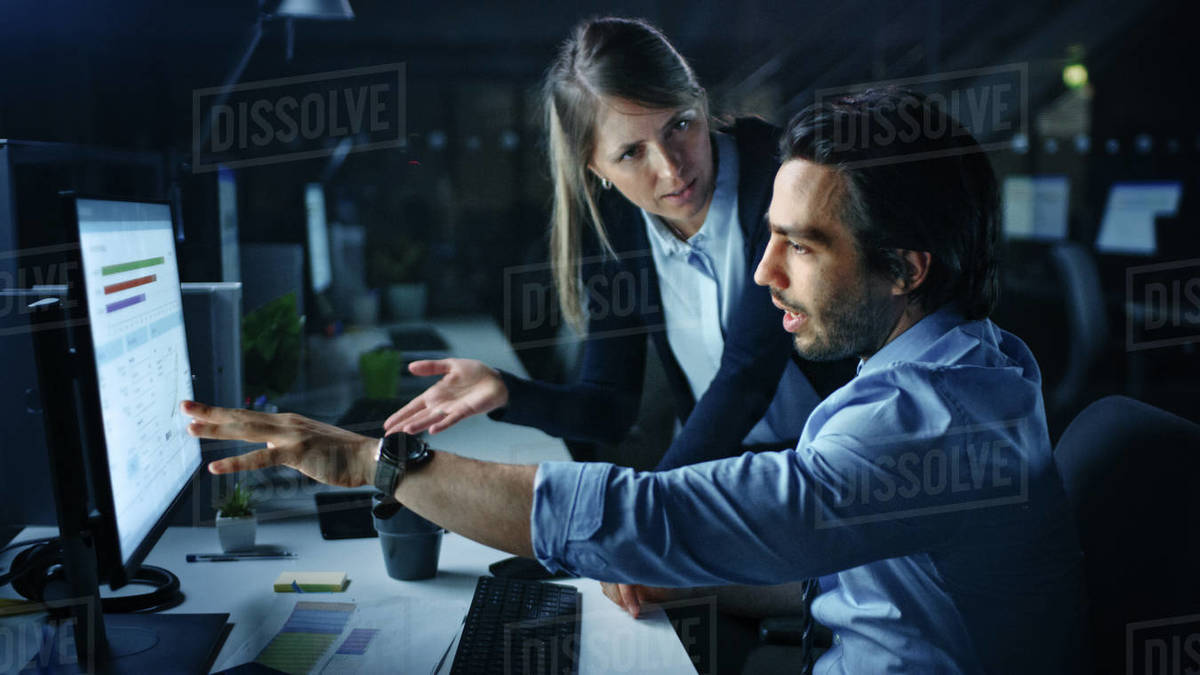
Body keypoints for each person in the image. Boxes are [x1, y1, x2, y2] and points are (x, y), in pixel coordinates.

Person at [188, 88, 1085, 673]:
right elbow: (852, 568)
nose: (764, 272)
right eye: (767, 234)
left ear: (906, 267)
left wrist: (372, 466)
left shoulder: (925, 421)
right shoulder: (970, 362)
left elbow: (657, 512)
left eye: (802, 246)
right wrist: (695, 576)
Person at [383, 17, 851, 471]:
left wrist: (657, 504)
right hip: (727, 472)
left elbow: (747, 377)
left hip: (836, 460)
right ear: (594, 167)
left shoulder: (782, 182)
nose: (671, 169)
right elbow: (609, 409)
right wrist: (506, 391)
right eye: (631, 152)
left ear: (700, 102)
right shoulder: (614, 228)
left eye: (680, 126)